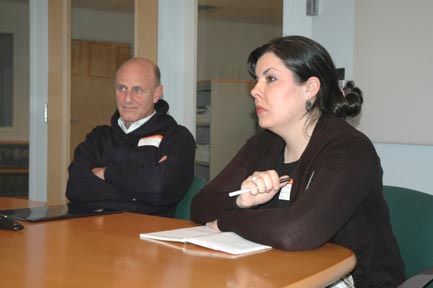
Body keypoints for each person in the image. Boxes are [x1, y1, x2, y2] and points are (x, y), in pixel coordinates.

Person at [190, 36, 405, 287]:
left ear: (310, 88)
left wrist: (228, 220)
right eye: (257, 80)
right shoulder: (261, 145)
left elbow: (295, 232)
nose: (255, 90)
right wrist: (241, 201)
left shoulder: (350, 149)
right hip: (277, 272)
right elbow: (200, 206)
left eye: (270, 79)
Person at [66, 57, 196, 217]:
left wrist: (107, 174)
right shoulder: (98, 137)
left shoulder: (177, 138)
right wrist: (138, 196)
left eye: (137, 90)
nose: (127, 98)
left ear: (156, 94)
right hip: (92, 230)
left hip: (145, 235)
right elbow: (75, 188)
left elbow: (159, 188)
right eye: (122, 88)